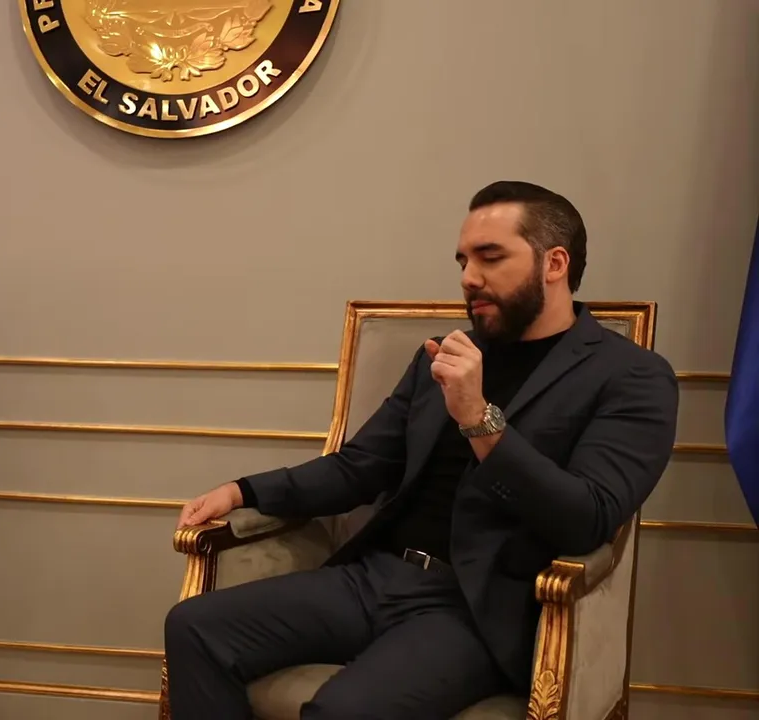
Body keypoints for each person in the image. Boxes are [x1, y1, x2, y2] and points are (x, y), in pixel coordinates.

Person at [163, 181, 680, 720]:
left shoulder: (631, 376)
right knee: (195, 626)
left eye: (490, 257)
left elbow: (586, 516)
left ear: (554, 263)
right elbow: (360, 467)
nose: (468, 278)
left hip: (476, 608)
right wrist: (241, 491)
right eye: (463, 261)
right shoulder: (445, 354)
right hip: (378, 577)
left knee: (344, 711)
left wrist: (479, 419)